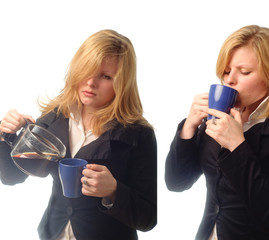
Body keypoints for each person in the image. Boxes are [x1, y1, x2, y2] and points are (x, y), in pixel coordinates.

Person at [0, 29, 157, 240]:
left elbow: (149, 218)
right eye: (87, 70)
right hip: (52, 233)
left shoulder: (139, 134)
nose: (91, 82)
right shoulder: (54, 117)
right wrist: (5, 135)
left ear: (122, 83)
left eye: (106, 76)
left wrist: (113, 191)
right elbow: (12, 177)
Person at [165, 25, 269, 240]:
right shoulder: (218, 116)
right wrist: (188, 127)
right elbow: (177, 183)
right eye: (226, 71)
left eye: (244, 72)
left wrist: (237, 146)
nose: (229, 80)